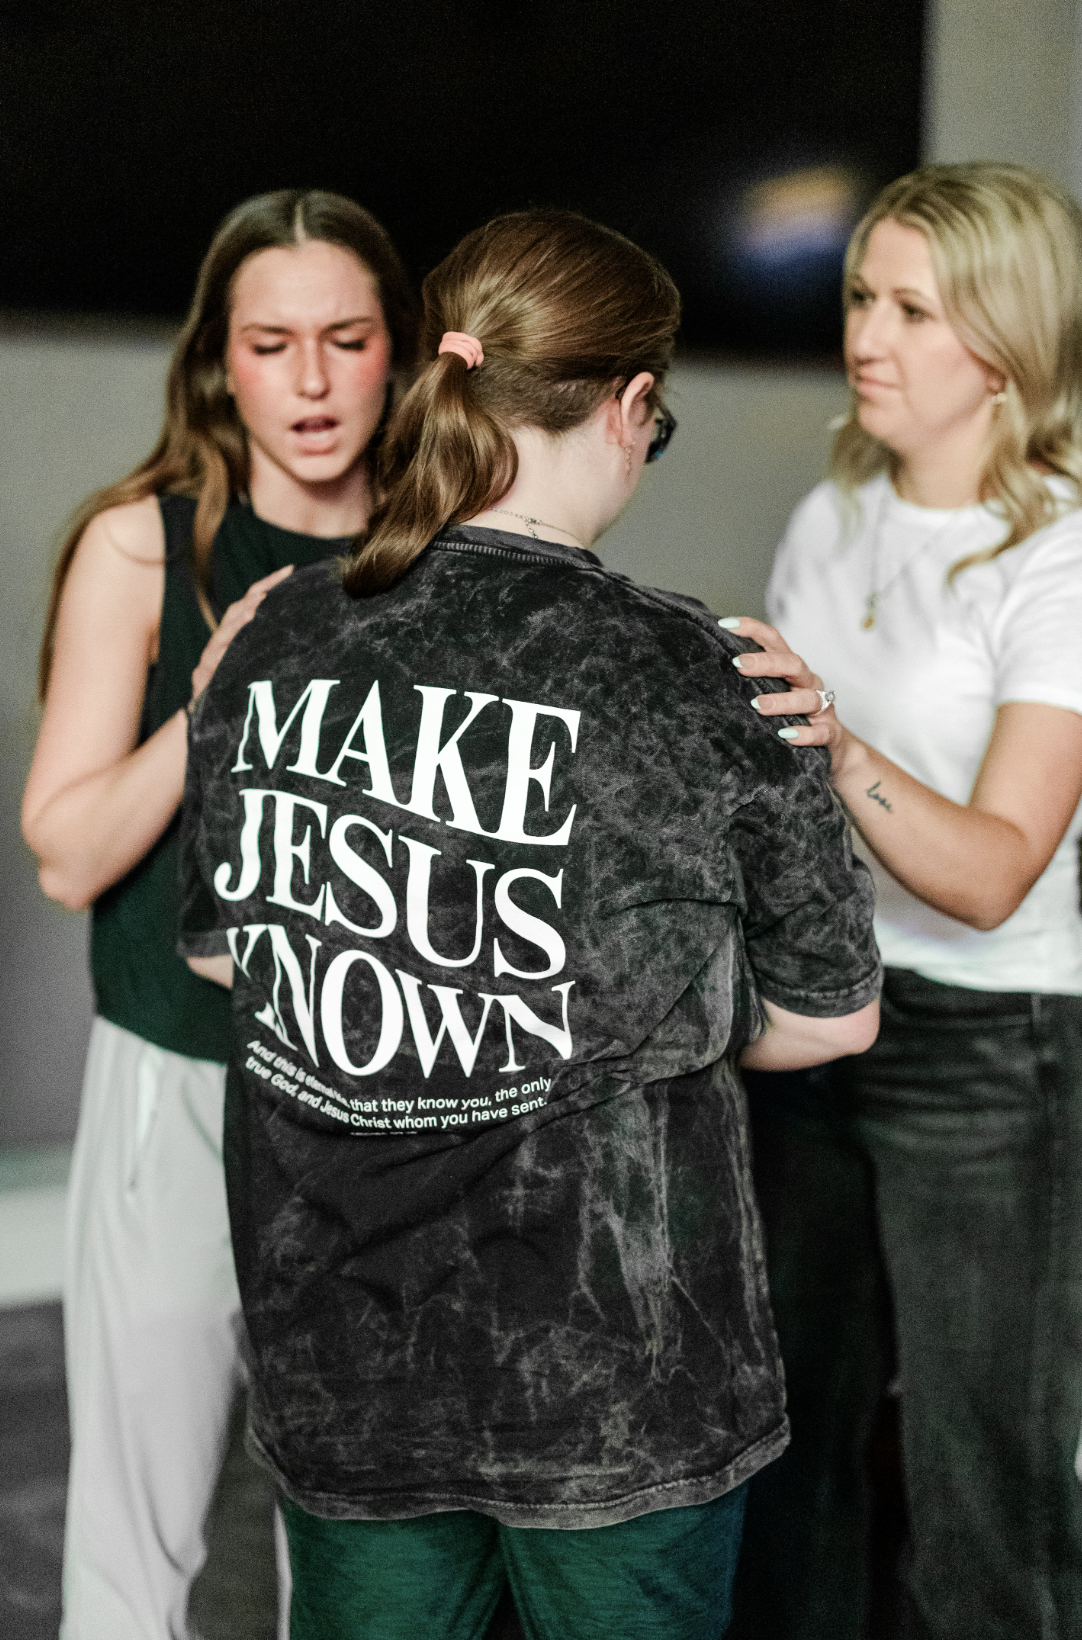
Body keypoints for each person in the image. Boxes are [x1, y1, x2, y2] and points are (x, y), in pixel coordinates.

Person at [177, 206, 882, 1640]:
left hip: (346, 1353)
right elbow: (833, 1014)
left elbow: (223, 952)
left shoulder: (277, 636)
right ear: (631, 404)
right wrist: (621, 1013)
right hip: (614, 1376)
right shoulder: (703, 675)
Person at [21, 187, 418, 1640]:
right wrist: (210, 702)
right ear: (220, 362)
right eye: (271, 343)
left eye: (345, 337)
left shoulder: (443, 551)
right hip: (181, 1078)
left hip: (388, 1106)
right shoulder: (145, 547)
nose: (310, 383)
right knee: (140, 1544)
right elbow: (66, 851)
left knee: (371, 1549)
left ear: (401, 352)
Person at [724, 163, 1082, 1640]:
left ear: (998, 343)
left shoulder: (1060, 553)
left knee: (977, 1475)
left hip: (994, 1052)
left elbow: (997, 871)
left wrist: (832, 739)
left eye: (909, 308)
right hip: (822, 1022)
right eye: (861, 296)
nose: (864, 335)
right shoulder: (834, 512)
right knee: (788, 1444)